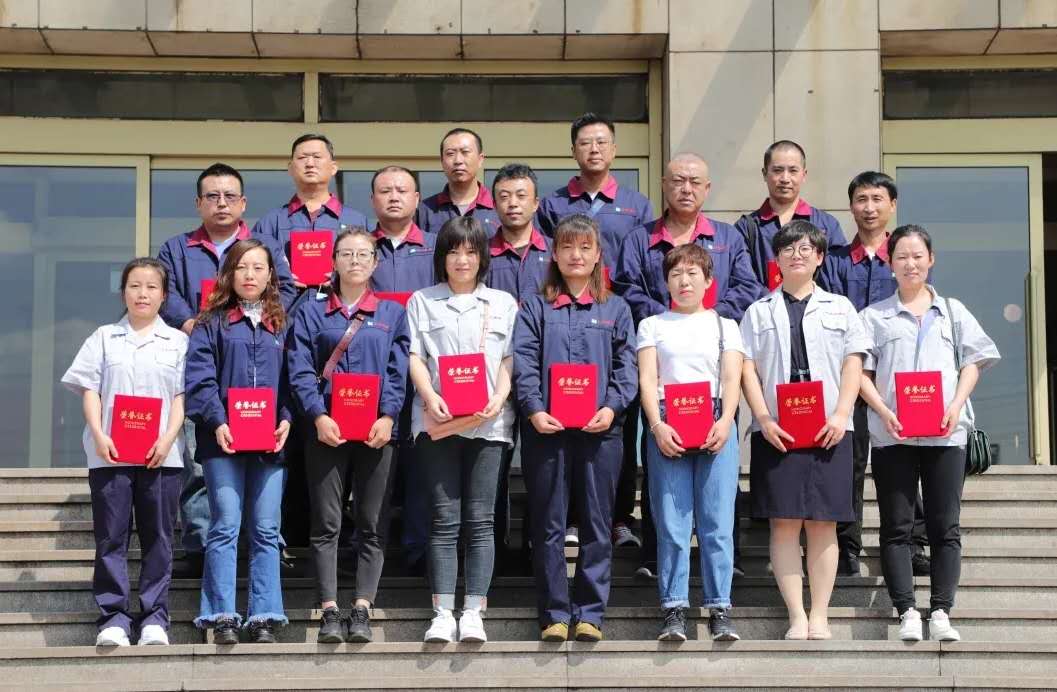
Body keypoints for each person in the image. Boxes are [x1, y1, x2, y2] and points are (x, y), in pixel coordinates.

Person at [615, 152, 761, 578]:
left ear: (707, 188)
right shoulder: (639, 239)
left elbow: (747, 286)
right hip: (663, 366)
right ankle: (654, 557)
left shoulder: (729, 238)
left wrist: (704, 317)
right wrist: (671, 316)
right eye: (678, 180)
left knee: (720, 474)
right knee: (660, 468)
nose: (686, 188)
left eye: (695, 182)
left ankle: (727, 564)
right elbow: (625, 288)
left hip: (714, 375)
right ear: (664, 185)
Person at [859, 225, 999, 643]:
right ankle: (906, 610)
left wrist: (956, 404)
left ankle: (940, 610)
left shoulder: (953, 311)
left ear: (931, 260)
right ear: (890, 262)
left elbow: (974, 360)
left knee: (945, 527)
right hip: (893, 435)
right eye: (902, 256)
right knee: (896, 527)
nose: (910, 264)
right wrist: (883, 410)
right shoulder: (874, 316)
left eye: (918, 256)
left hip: (945, 434)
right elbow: (860, 373)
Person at [157, 162, 295, 579]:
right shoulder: (176, 248)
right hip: (201, 361)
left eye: (230, 196)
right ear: (198, 203)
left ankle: (265, 543)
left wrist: (266, 321)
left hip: (255, 361)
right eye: (212, 196)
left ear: (243, 203)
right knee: (203, 458)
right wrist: (195, 325)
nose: (221, 203)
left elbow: (287, 290)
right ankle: (201, 542)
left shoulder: (264, 247)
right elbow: (168, 294)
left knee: (262, 458)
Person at [739, 220, 870, 640]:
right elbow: (747, 369)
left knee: (823, 523)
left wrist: (842, 413)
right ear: (776, 260)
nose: (796, 255)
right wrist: (763, 418)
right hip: (777, 429)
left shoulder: (841, 308)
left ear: (819, 257)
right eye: (788, 249)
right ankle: (796, 614)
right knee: (784, 523)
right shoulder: (758, 311)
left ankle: (820, 615)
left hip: (831, 427)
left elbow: (854, 363)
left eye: (805, 249)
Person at [512, 213, 637, 643]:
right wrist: (533, 409)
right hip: (546, 432)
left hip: (601, 434)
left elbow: (626, 368)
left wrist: (612, 407)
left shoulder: (616, 308)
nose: (576, 255)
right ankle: (553, 613)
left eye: (585, 247)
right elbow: (524, 362)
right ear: (554, 254)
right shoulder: (536, 307)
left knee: (598, 524)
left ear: (598, 254)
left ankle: (589, 614)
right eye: (567, 246)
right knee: (548, 525)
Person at [287, 228, 411, 643]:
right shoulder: (311, 312)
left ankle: (361, 606)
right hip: (327, 431)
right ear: (334, 262)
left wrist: (389, 416)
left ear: (375, 262)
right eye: (346, 254)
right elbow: (300, 369)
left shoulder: (392, 313)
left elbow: (397, 372)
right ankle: (328, 609)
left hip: (377, 431)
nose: (355, 261)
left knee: (372, 522)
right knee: (326, 523)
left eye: (363, 254)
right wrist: (317, 415)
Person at [536, 112, 653, 552]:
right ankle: (569, 517)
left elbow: (641, 265)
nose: (594, 149)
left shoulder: (637, 205)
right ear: (573, 151)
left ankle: (619, 517)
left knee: (616, 425)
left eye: (602, 142)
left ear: (615, 150)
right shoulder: (553, 205)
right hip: (564, 317)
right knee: (565, 424)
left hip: (613, 321)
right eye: (585, 142)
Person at [61, 258, 188, 647]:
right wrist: (99, 435)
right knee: (110, 539)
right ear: (123, 293)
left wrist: (167, 438)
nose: (142, 294)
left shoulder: (178, 342)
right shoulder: (103, 337)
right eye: (135, 286)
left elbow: (181, 397)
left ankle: (154, 619)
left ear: (163, 296)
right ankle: (113, 618)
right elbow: (90, 390)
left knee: (159, 539)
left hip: (161, 456)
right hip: (110, 455)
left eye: (151, 287)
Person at [406, 216, 518, 643]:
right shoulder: (422, 301)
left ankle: (473, 610)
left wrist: (501, 396)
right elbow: (415, 356)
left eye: (471, 251)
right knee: (444, 519)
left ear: (482, 257)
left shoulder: (502, 303)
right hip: (437, 420)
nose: (462, 260)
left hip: (489, 423)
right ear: (442, 257)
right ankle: (442, 612)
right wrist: (428, 395)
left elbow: (509, 357)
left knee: (481, 520)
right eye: (453, 251)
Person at [818, 171, 930, 577]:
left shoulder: (905, 259)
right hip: (847, 377)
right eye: (861, 199)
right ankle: (846, 546)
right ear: (851, 206)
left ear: (892, 205)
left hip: (894, 381)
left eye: (877, 199)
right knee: (847, 463)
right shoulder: (833, 262)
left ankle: (911, 543)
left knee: (903, 461)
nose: (869, 207)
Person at [186, 238, 292, 645]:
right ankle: (221, 615)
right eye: (242, 267)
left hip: (270, 444)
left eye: (258, 267)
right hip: (223, 442)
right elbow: (199, 380)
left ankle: (264, 614)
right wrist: (217, 421)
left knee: (266, 528)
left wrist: (286, 419)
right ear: (229, 274)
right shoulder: (211, 323)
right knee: (226, 524)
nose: (250, 275)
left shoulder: (282, 324)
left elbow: (294, 379)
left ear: (270, 275)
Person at [637, 243, 744, 642]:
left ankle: (720, 608)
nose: (684, 281)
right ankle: (674, 608)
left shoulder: (725, 326)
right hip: (668, 422)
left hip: (715, 421)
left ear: (708, 280)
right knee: (672, 522)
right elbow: (648, 379)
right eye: (676, 274)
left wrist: (727, 421)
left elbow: (731, 379)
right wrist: (656, 426)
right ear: (666, 282)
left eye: (692, 273)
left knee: (717, 522)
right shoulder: (652, 325)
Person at [483, 162, 552, 574]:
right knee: (491, 468)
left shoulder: (555, 253)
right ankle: (492, 552)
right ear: (493, 203)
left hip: (544, 377)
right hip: (491, 376)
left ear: (536, 202)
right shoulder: (481, 254)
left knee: (542, 469)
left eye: (521, 196)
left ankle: (534, 549)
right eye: (504, 196)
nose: (513, 204)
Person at [370, 165, 437, 576]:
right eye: (385, 190)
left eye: (402, 190)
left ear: (416, 199)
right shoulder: (359, 249)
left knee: (423, 465)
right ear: (372, 200)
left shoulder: (436, 248)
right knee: (373, 464)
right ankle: (369, 550)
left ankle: (417, 549)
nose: (393, 197)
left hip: (425, 373)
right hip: (369, 375)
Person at [253, 133, 369, 290]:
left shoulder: (357, 221)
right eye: (302, 158)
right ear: (290, 168)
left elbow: (371, 269)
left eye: (317, 157)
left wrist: (343, 277)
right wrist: (278, 278)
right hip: (286, 304)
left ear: (333, 167)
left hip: (339, 303)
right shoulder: (270, 222)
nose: (310, 163)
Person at [735, 140, 847, 289]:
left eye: (793, 171)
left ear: (804, 175)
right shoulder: (746, 228)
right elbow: (743, 281)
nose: (785, 179)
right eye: (777, 170)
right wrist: (774, 300)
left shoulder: (827, 225)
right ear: (764, 174)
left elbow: (837, 279)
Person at [417, 127, 501, 236]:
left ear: (480, 159)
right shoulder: (425, 210)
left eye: (465, 152)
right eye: (450, 154)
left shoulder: (498, 207)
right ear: (442, 161)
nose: (458, 160)